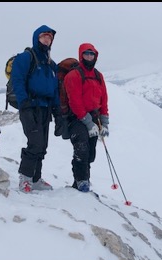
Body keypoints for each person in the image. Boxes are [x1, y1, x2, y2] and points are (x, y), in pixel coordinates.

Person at [11, 25, 62, 193]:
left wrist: (57, 110)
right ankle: (25, 178)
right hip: (30, 106)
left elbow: (54, 88)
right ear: (36, 38)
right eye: (44, 36)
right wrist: (23, 103)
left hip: (45, 108)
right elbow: (17, 80)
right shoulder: (26, 57)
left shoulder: (50, 63)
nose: (47, 39)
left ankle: (35, 178)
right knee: (35, 143)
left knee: (43, 145)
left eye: (49, 37)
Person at [63, 43, 109, 192]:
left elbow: (104, 99)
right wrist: (89, 124)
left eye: (92, 54)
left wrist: (104, 122)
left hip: (94, 117)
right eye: (86, 54)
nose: (89, 56)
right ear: (81, 55)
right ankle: (81, 182)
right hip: (76, 118)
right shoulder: (73, 75)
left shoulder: (98, 75)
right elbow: (74, 102)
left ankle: (83, 181)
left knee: (90, 153)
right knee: (81, 149)